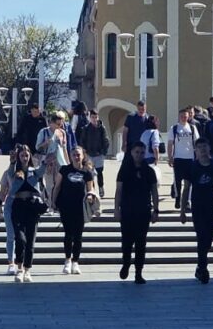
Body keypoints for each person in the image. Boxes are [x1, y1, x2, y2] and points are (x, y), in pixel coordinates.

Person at [180, 137, 213, 284]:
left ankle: (200, 267)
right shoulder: (192, 167)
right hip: (198, 205)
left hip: (212, 204)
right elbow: (186, 188)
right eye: (199, 147)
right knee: (201, 236)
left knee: (209, 237)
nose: (202, 149)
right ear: (195, 150)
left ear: (209, 148)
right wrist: (182, 210)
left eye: (205, 146)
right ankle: (203, 268)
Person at [115, 141, 159, 284]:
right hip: (127, 210)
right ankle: (126, 264)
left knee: (141, 243)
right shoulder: (125, 169)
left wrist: (156, 210)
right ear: (132, 153)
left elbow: (154, 191)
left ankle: (138, 272)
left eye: (141, 152)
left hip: (144, 210)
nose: (139, 155)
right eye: (136, 152)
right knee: (127, 242)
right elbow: (119, 190)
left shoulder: (149, 171)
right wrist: (116, 209)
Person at [0, 144, 45, 277]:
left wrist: (46, 158)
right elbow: (9, 175)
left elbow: (42, 169)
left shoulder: (34, 171)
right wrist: (12, 162)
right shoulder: (13, 171)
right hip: (15, 205)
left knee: (30, 239)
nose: (24, 157)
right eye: (22, 155)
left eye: (27, 154)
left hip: (31, 205)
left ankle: (27, 269)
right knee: (17, 237)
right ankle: (16, 265)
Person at [52, 146, 97, 275]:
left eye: (78, 155)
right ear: (70, 157)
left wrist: (90, 195)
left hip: (80, 208)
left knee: (78, 236)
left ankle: (75, 262)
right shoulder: (65, 170)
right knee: (68, 234)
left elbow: (91, 188)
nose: (76, 157)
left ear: (83, 156)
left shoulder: (87, 172)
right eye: (74, 155)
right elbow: (57, 186)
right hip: (66, 206)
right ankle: (67, 260)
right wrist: (53, 202)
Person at [168, 107, 200, 208]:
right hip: (178, 158)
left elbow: (196, 143)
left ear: (188, 116)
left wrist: (198, 156)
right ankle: (178, 199)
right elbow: (170, 144)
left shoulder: (192, 128)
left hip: (190, 158)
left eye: (185, 116)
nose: (184, 118)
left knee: (189, 182)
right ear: (179, 116)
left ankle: (187, 200)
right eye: (182, 116)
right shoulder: (174, 128)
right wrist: (170, 157)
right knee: (177, 181)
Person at [77, 109, 111, 195]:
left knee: (99, 172)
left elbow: (106, 140)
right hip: (89, 155)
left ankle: (101, 187)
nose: (94, 119)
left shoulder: (102, 128)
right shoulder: (86, 128)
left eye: (95, 117)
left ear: (98, 117)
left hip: (99, 154)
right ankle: (92, 190)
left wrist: (103, 152)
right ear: (89, 117)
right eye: (92, 117)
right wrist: (84, 151)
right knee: (90, 174)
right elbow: (82, 141)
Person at [36, 111, 71, 193]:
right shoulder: (43, 132)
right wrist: (46, 143)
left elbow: (64, 149)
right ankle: (49, 202)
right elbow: (37, 147)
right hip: (47, 162)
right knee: (49, 185)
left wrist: (68, 164)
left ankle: (56, 202)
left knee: (60, 184)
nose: (60, 126)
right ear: (51, 123)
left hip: (60, 162)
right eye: (58, 124)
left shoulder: (62, 132)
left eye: (61, 124)